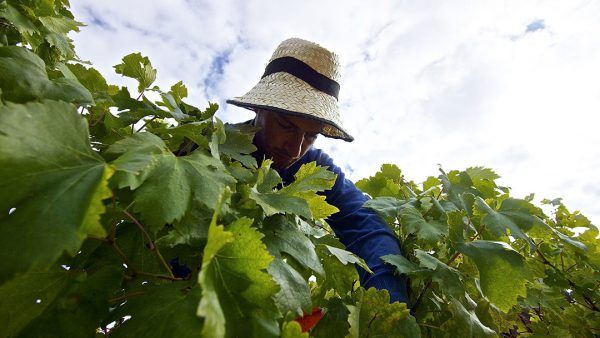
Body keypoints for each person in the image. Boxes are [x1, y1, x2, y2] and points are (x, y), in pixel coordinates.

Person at [226, 38, 410, 305]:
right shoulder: (205, 148)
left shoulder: (314, 169)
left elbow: (366, 226)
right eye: (286, 126)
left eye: (311, 135)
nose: (295, 149)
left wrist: (388, 306)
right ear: (258, 107)